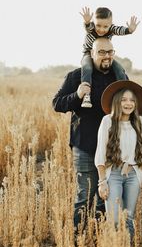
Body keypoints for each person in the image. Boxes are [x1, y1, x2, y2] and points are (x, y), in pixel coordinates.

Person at [52, 38, 128, 231]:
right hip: (84, 145)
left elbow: (131, 105)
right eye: (102, 52)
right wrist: (77, 95)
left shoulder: (120, 77)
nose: (107, 56)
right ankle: (77, 246)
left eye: (110, 51)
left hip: (113, 148)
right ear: (92, 53)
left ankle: (97, 244)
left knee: (105, 200)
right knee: (83, 199)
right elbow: (57, 104)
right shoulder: (76, 76)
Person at [95, 80, 142, 238]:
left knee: (128, 218)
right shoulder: (107, 121)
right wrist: (102, 182)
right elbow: (100, 153)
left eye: (132, 100)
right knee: (114, 219)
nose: (129, 103)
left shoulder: (140, 122)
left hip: (133, 174)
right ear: (117, 102)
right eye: (124, 100)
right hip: (113, 173)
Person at [79, 6, 139, 108]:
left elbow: (119, 30)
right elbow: (88, 27)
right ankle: (86, 95)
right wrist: (87, 22)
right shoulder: (92, 28)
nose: (101, 29)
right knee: (87, 68)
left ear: (110, 25)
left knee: (119, 69)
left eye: (105, 26)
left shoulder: (111, 29)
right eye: (98, 25)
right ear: (94, 23)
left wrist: (129, 30)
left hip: (105, 55)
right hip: (88, 54)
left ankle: (123, 95)